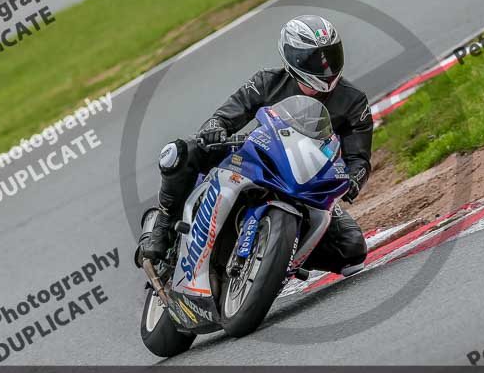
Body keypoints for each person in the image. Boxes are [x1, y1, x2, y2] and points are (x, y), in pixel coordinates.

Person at [137, 15, 373, 275]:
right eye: (314, 59)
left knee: (352, 249)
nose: (325, 67)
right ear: (292, 59)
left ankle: (281, 255)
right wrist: (215, 128)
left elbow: (359, 159)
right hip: (257, 159)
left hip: (307, 182)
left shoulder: (354, 102)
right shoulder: (266, 81)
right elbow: (226, 116)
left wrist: (353, 180)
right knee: (179, 153)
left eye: (330, 56)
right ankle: (163, 224)